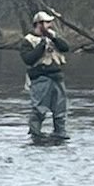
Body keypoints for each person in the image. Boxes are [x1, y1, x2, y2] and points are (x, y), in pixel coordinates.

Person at [20, 11, 70, 141]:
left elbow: (66, 48)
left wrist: (53, 38)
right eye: (47, 22)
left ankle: (60, 134)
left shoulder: (54, 37)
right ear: (39, 24)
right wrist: (42, 44)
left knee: (60, 110)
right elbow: (28, 59)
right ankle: (35, 135)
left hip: (57, 78)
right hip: (40, 79)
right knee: (39, 110)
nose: (50, 25)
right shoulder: (28, 40)